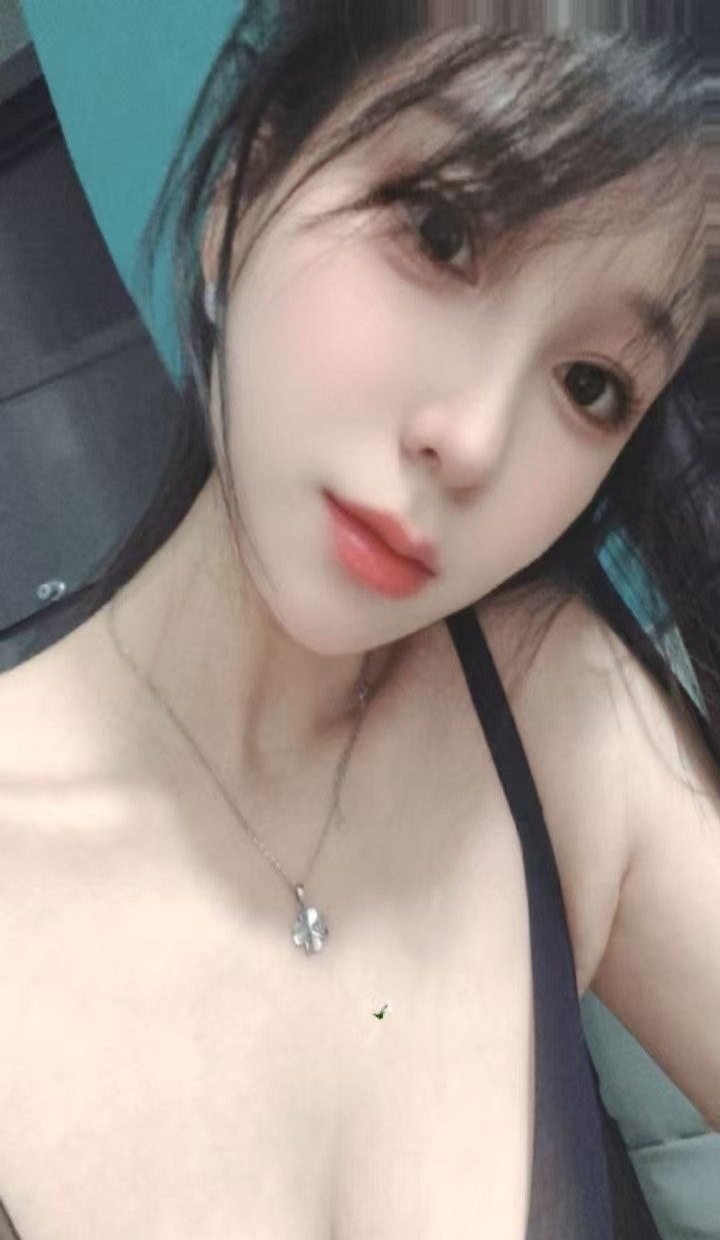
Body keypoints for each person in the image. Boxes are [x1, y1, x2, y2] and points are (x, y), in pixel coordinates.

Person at [0, 3, 718, 1238]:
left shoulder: (563, 719)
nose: (474, 438)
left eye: (590, 383)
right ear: (245, 184)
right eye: (441, 232)